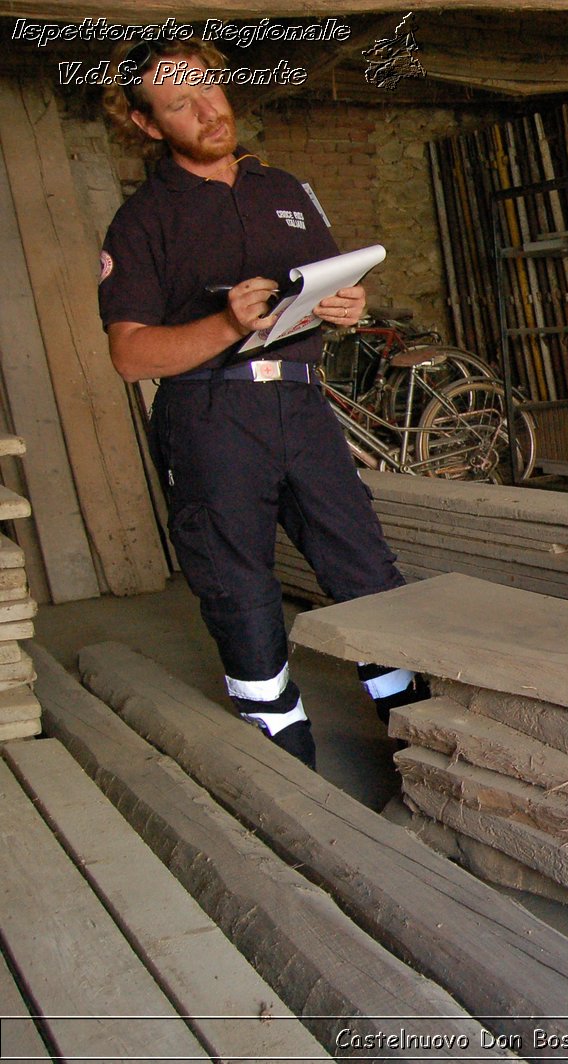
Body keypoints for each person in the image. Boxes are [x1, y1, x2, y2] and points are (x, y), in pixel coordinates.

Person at [97, 40, 425, 768]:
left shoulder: (286, 190)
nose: (208, 110)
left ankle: (422, 742)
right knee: (240, 591)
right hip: (211, 418)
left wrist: (343, 305)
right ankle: (288, 767)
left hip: (303, 409)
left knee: (365, 569)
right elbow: (129, 355)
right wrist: (223, 326)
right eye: (180, 103)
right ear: (148, 125)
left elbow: (321, 284)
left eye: (209, 88)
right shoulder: (142, 221)